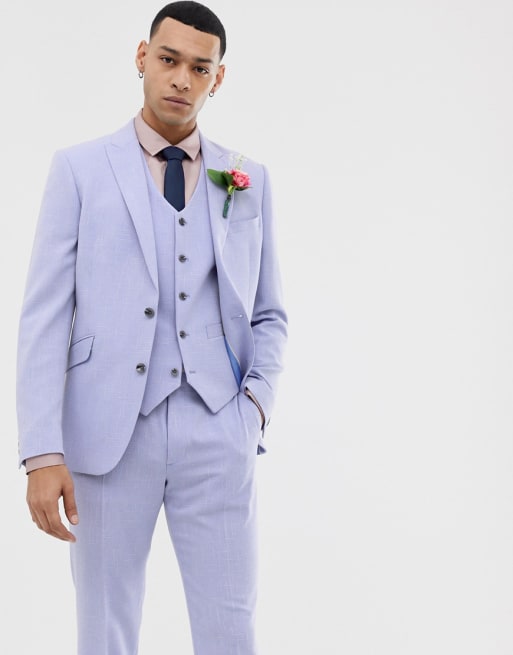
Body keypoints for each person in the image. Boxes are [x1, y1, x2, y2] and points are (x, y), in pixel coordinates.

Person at [15, 2, 287, 653]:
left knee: (230, 630)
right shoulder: (79, 169)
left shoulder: (246, 179)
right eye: (169, 60)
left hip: (217, 429)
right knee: (105, 630)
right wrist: (42, 452)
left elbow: (270, 312)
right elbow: (44, 316)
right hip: (108, 435)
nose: (181, 79)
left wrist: (252, 409)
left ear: (218, 78)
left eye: (200, 68)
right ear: (143, 58)